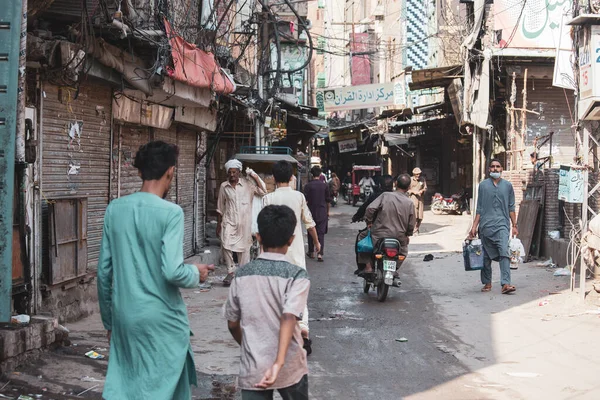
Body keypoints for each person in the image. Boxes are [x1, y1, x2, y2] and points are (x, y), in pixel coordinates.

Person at [97, 141, 215, 399]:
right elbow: (172, 271)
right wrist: (197, 272)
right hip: (161, 319)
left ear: (140, 172)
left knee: (129, 385)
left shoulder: (114, 209)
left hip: (125, 316)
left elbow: (103, 274)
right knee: (164, 389)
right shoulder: (171, 213)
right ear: (171, 171)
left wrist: (110, 321)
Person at [225, 205, 310, 399]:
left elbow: (232, 324)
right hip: (290, 366)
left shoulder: (241, 275)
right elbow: (289, 316)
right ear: (291, 239)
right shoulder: (297, 276)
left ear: (258, 237)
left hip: (254, 368)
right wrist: (278, 363)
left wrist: (249, 346)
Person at [263, 160, 320, 354]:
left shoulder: (267, 199)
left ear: (273, 178)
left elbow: (260, 229)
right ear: (291, 177)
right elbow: (309, 223)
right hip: (295, 257)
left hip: (272, 256)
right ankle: (303, 329)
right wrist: (317, 243)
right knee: (299, 295)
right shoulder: (299, 197)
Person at [468, 158, 518, 294]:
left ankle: (505, 284)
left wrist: (514, 225)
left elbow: (511, 207)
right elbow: (479, 208)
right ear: (489, 169)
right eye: (493, 166)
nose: (495, 169)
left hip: (502, 225)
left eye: (498, 166)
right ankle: (487, 283)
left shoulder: (507, 186)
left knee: (504, 253)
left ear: (502, 169)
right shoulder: (483, 186)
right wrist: (474, 226)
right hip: (485, 226)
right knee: (485, 256)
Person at [356, 174, 415, 286]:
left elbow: (370, 208)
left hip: (378, 234)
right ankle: (394, 269)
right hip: (399, 236)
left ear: (396, 184)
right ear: (408, 187)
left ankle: (368, 267)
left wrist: (369, 222)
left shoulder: (385, 196)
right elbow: (411, 223)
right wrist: (408, 234)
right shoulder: (410, 202)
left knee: (362, 238)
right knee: (403, 251)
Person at [217, 159, 267, 286]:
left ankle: (243, 272)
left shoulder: (248, 185)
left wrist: (254, 176)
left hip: (245, 222)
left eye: (234, 172)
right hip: (229, 221)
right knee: (225, 243)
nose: (232, 175)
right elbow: (220, 207)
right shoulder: (224, 186)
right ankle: (231, 271)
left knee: (244, 248)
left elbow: (263, 191)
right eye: (230, 172)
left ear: (239, 172)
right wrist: (218, 225)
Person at [304, 166, 331, 262]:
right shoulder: (325, 186)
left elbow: (305, 201)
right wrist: (328, 211)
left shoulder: (308, 186)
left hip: (310, 212)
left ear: (312, 174)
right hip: (322, 212)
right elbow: (328, 201)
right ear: (320, 175)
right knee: (321, 233)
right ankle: (320, 254)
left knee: (311, 231)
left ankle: (311, 252)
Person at [408, 167, 427, 235]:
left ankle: (417, 228)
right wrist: (413, 192)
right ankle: (414, 230)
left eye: (419, 174)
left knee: (420, 216)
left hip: (420, 199)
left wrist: (422, 191)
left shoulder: (422, 179)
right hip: (413, 199)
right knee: (415, 215)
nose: (418, 175)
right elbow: (407, 190)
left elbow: (425, 188)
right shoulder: (410, 180)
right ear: (414, 174)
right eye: (416, 174)